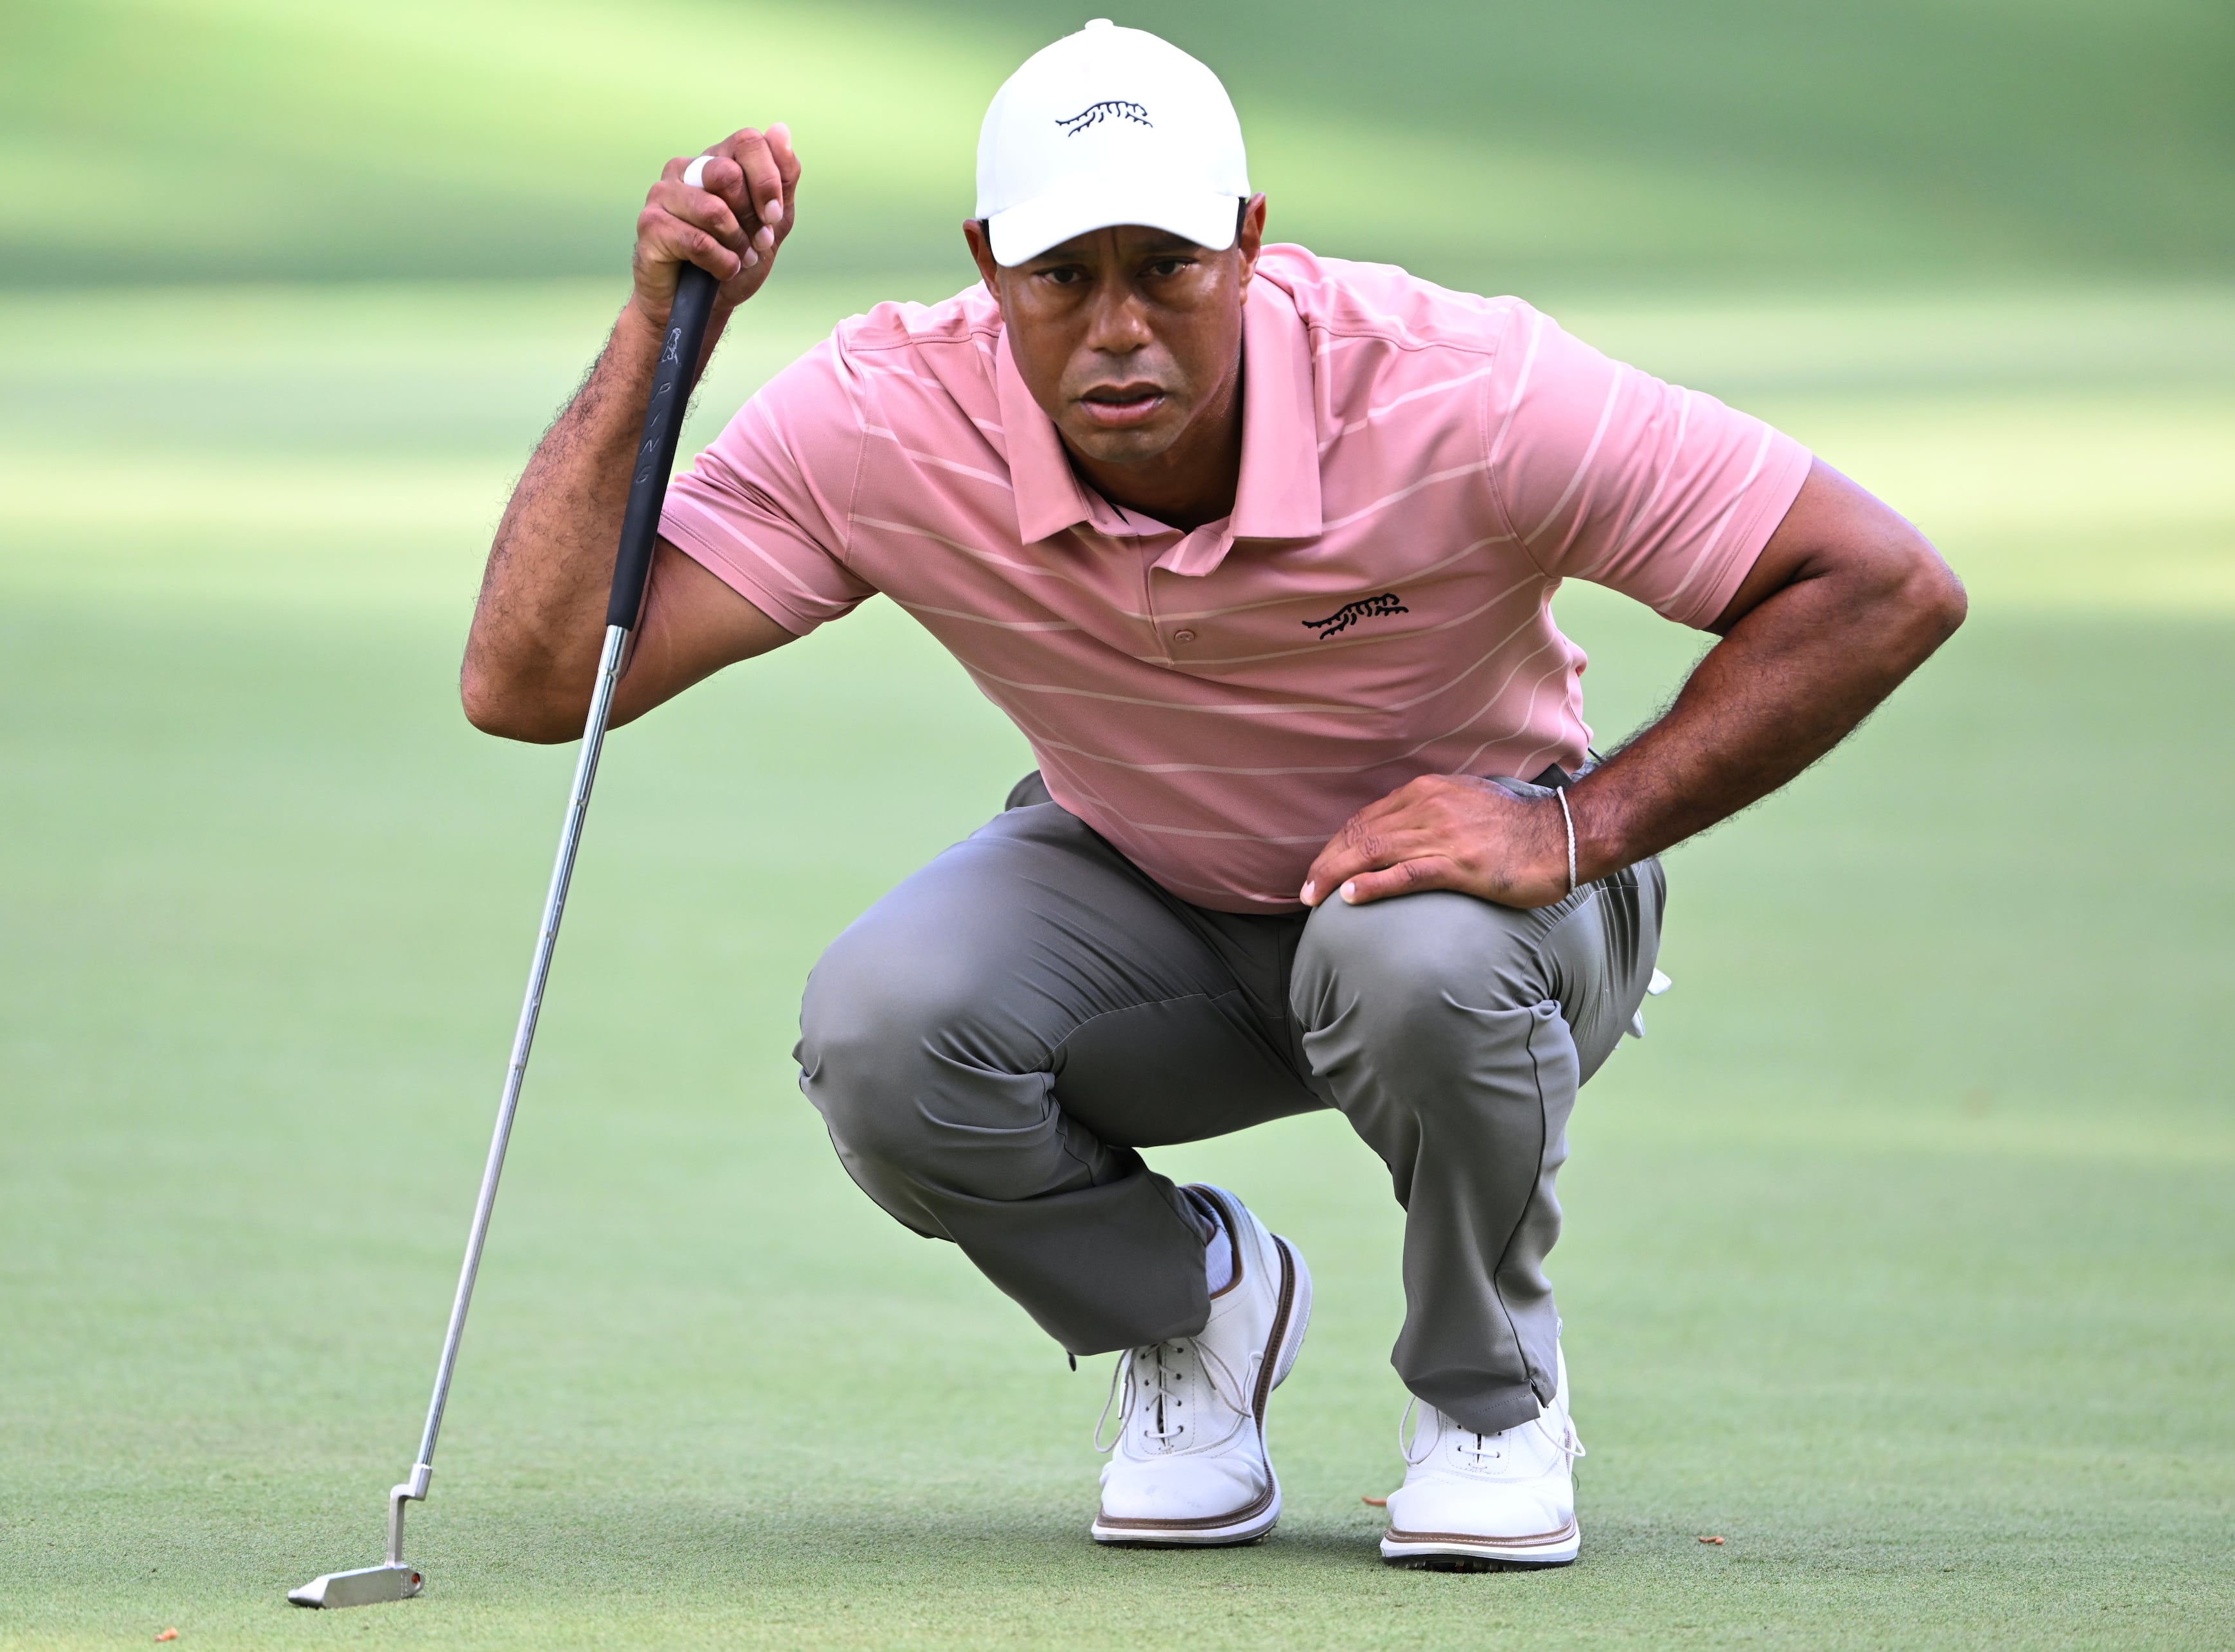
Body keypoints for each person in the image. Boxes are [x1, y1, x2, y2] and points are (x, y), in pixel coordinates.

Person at [461, 21, 1963, 1569]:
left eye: (1165, 265)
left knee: (1416, 963)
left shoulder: (1462, 387)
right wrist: (665, 335)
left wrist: (1570, 828)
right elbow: (534, 677)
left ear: (1249, 243)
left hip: (1497, 910)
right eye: (1063, 276)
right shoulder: (889, 415)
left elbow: (1877, 581)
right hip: (1148, 888)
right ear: (988, 265)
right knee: (883, 1027)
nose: (1119, 327)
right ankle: (1192, 1307)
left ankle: (1491, 1398)